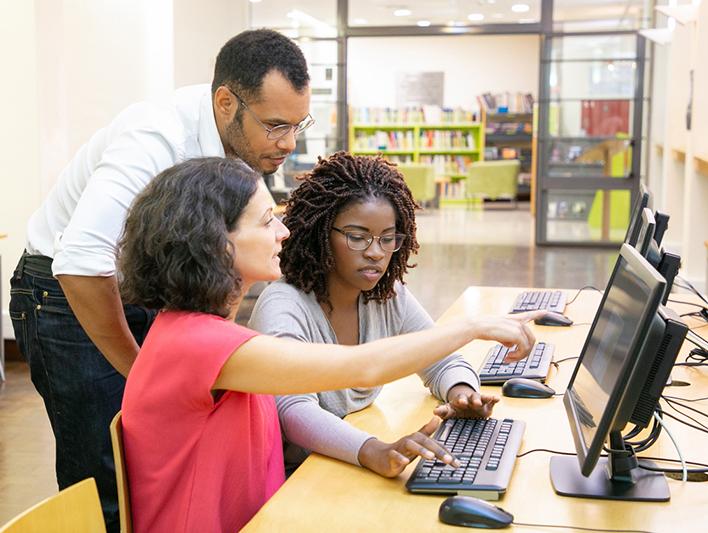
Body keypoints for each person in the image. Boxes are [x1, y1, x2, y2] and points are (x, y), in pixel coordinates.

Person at [118, 157, 540, 532]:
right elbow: (362, 368)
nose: (284, 231)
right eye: (267, 221)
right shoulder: (199, 343)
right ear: (215, 241)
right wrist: (472, 327)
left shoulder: (197, 331)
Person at [8, 29, 312, 531]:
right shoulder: (155, 136)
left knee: (161, 457)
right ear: (225, 102)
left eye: (299, 125)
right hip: (63, 292)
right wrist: (142, 372)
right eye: (276, 125)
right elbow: (80, 263)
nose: (289, 143)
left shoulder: (246, 143)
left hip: (136, 283)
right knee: (107, 475)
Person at [248, 152, 500, 477]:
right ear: (321, 233)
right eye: (357, 237)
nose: (376, 252)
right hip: (295, 477)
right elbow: (293, 409)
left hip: (351, 467)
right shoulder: (283, 305)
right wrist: (373, 450)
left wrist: (463, 394)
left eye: (387, 238)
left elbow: (442, 360)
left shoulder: (386, 295)